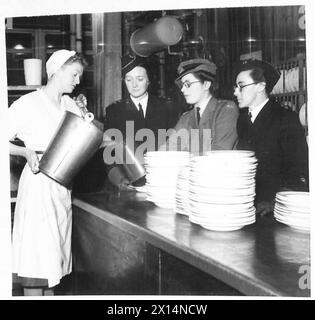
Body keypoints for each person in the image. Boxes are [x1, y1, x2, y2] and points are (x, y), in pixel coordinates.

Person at [9, 49, 88, 295]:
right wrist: (25, 153)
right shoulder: (28, 103)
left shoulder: (69, 104)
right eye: (74, 74)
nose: (77, 81)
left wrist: (85, 117)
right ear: (57, 70)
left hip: (62, 187)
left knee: (53, 268)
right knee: (36, 267)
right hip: (38, 186)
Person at [234, 59, 309, 216]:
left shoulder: (285, 118)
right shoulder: (242, 120)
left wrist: (275, 203)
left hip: (273, 210)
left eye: (241, 86)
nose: (235, 92)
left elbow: (300, 168)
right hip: (245, 206)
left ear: (260, 86)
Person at [103, 53, 179, 188]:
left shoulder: (167, 108)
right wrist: (119, 179)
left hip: (163, 180)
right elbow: (109, 153)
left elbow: (176, 147)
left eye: (140, 79)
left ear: (149, 80)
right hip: (129, 182)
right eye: (128, 80)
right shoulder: (114, 111)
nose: (134, 85)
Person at [162, 58, 239, 153]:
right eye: (182, 85)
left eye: (188, 84)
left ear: (206, 84)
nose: (182, 90)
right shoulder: (186, 117)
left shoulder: (226, 110)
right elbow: (168, 148)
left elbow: (219, 152)